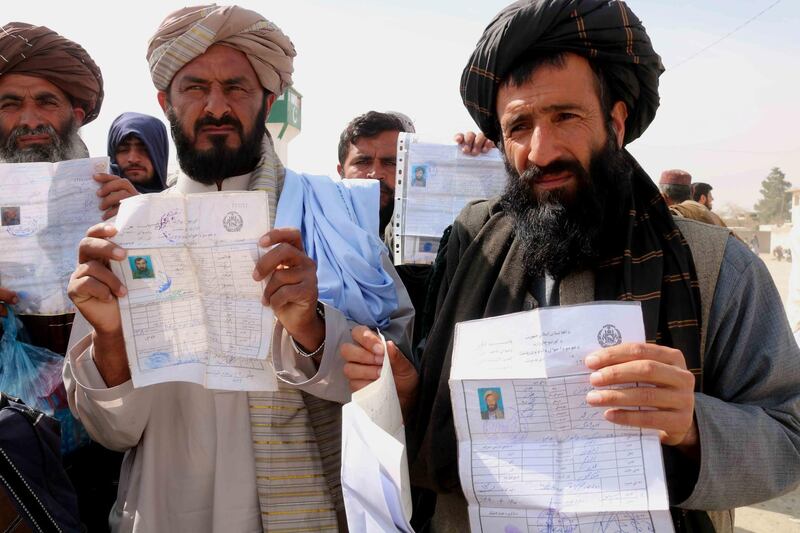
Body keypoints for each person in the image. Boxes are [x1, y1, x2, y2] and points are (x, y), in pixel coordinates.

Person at [345, 2, 800, 532]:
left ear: (617, 121)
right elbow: (440, 414)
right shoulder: (472, 245)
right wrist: (406, 391)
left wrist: (693, 426)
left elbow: (789, 436)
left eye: (565, 116)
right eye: (519, 126)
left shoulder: (717, 266)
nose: (542, 150)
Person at [63, 5, 412, 532]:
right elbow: (112, 432)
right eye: (195, 88)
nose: (215, 106)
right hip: (165, 510)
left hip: (310, 509)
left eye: (236, 88)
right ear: (166, 101)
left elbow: (393, 384)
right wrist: (111, 337)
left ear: (268, 101)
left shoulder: (334, 216)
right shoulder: (128, 234)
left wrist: (312, 329)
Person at [0, 21, 138, 532]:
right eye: (10, 103)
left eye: (46, 102)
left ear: (76, 114)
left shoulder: (121, 200)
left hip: (110, 431)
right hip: (11, 444)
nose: (29, 119)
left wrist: (141, 229)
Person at [108, 112, 169, 193]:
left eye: (145, 149)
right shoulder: (96, 200)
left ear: (159, 153)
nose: (133, 159)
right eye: (123, 149)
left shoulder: (182, 202)